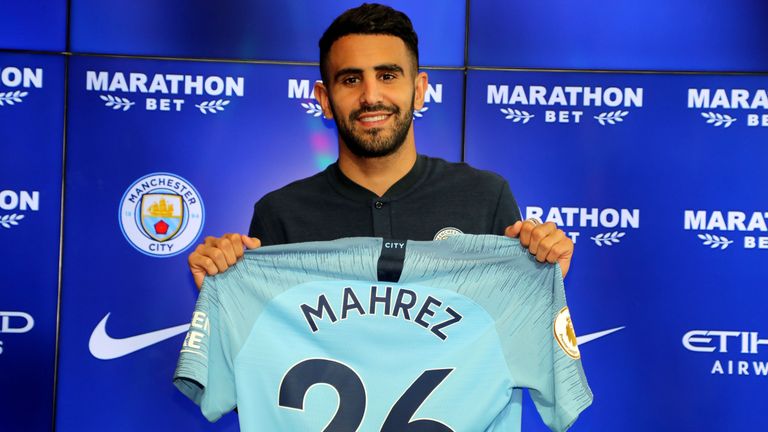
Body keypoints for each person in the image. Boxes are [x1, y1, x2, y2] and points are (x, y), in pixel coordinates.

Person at [187, 3, 574, 289]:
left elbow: (515, 338)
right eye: (351, 80)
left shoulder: (485, 197)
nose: (371, 97)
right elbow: (263, 368)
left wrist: (543, 276)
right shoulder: (281, 214)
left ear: (419, 89)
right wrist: (221, 293)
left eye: (388, 75)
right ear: (323, 98)